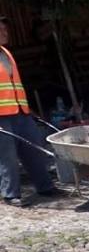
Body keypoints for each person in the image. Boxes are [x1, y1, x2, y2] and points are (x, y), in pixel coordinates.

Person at [0, 16, 55, 207]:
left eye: (5, 29)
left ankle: (45, 186)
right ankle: (10, 194)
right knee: (7, 156)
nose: (5, 33)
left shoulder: (6, 53)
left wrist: (29, 109)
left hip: (20, 112)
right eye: (0, 30)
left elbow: (15, 86)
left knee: (34, 147)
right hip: (2, 117)